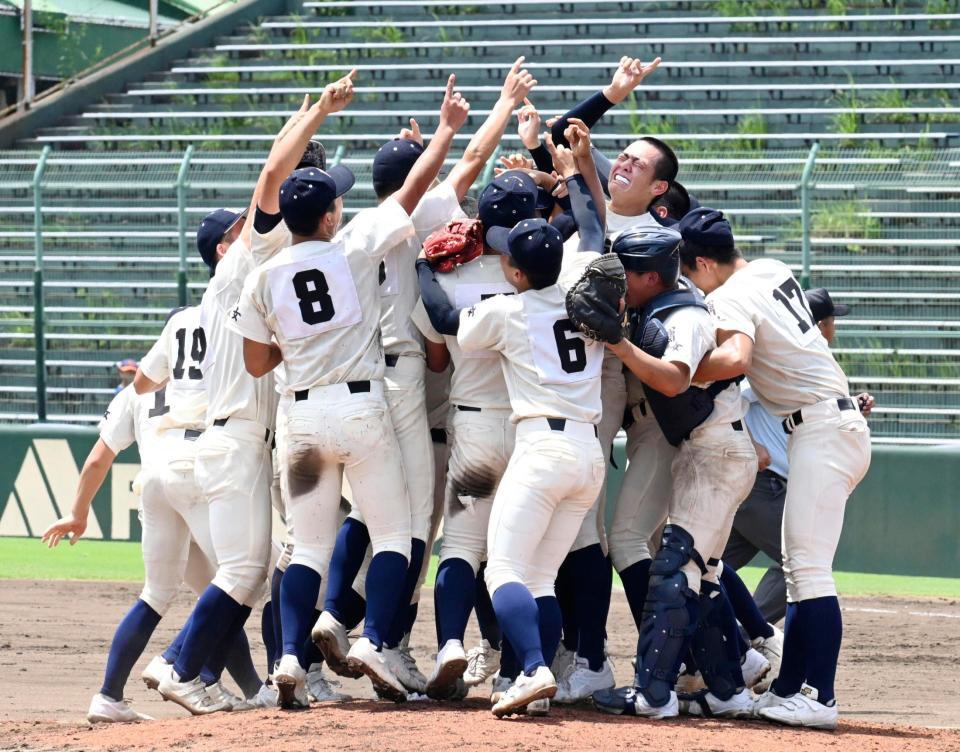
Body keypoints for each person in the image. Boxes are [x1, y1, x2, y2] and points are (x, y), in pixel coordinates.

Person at [229, 73, 469, 707]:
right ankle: (377, 642)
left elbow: (257, 363)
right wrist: (445, 129)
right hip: (362, 408)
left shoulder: (263, 271)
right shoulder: (355, 247)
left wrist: (297, 342)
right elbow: (414, 190)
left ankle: (288, 658)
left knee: (306, 544)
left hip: (301, 417)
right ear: (331, 214)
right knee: (394, 533)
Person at [316, 57, 537, 696]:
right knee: (416, 526)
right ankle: (379, 638)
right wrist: (491, 108)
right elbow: (469, 161)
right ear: (416, 179)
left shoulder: (354, 231)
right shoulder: (425, 217)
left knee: (371, 512)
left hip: (355, 375)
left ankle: (341, 614)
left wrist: (423, 147)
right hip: (418, 381)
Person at [417, 123, 609, 717]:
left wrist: (424, 265)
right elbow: (596, 227)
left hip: (541, 448)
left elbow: (447, 321)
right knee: (542, 576)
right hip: (588, 453)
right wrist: (577, 174)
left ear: (517, 271)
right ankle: (539, 675)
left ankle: (528, 669)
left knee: (501, 567)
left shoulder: (506, 310)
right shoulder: (585, 279)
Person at [682, 209, 872, 730]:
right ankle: (791, 689)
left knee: (808, 572)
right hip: (829, 423)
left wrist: (684, 373)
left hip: (820, 428)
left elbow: (738, 357)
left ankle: (821, 696)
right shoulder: (770, 266)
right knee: (798, 573)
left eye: (687, 268)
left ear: (703, 261)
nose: (688, 279)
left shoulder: (728, 295)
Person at [592, 213, 757, 720]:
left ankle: (653, 694)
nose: (621, 282)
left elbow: (673, 380)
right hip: (710, 449)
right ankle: (729, 690)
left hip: (716, 451)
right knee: (703, 578)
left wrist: (618, 343)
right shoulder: (662, 302)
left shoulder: (683, 315)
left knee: (674, 569)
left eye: (628, 273)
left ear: (652, 277)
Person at [721, 288, 873, 644]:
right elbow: (735, 400)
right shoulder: (784, 362)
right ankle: (746, 636)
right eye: (832, 320)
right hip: (763, 488)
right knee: (799, 560)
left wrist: (851, 402)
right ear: (819, 325)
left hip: (760, 490)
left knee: (705, 568)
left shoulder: (803, 366)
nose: (835, 327)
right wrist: (747, 442)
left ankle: (687, 645)